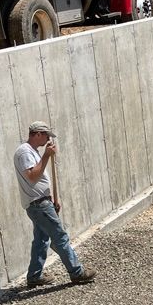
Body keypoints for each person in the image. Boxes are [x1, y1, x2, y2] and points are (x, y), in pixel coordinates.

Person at [13, 120, 94, 287]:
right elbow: (33, 176)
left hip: (41, 203)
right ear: (37, 134)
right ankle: (77, 273)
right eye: (45, 136)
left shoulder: (32, 151)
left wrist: (53, 199)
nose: (47, 140)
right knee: (60, 237)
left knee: (41, 240)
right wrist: (47, 155)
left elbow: (39, 178)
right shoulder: (24, 152)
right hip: (38, 204)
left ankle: (34, 276)